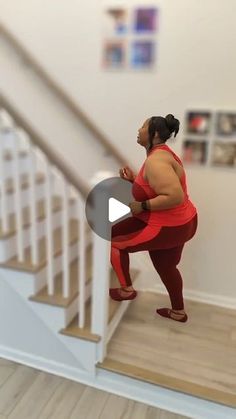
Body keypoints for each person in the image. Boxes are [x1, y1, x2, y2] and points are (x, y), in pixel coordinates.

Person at [109, 114, 198, 322]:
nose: (138, 130)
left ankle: (126, 290)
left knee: (114, 241)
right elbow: (158, 187)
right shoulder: (162, 154)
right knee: (167, 266)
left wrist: (142, 205)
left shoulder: (156, 161)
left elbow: (173, 196)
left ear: (155, 134)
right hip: (184, 222)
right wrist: (135, 181)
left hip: (166, 226)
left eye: (143, 127)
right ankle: (178, 312)